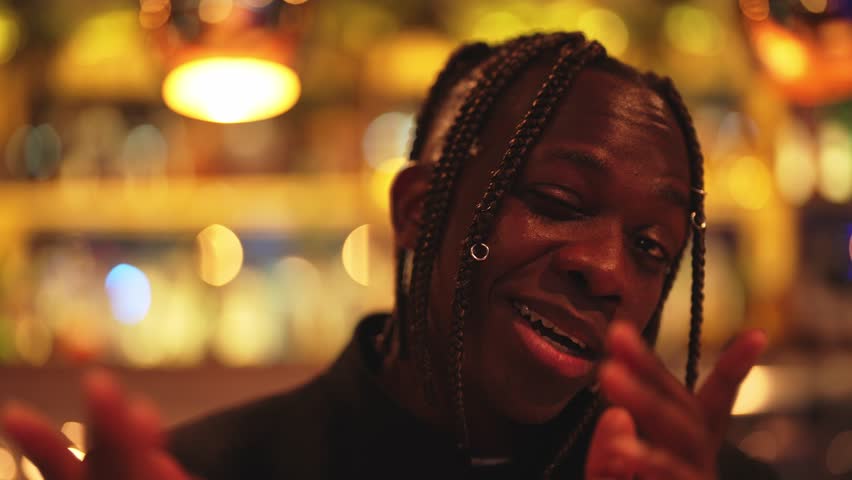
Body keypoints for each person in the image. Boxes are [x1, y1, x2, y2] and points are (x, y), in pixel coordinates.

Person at [1, 32, 777, 479]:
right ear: (417, 211)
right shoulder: (211, 470)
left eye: (652, 247)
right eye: (559, 203)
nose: (607, 270)